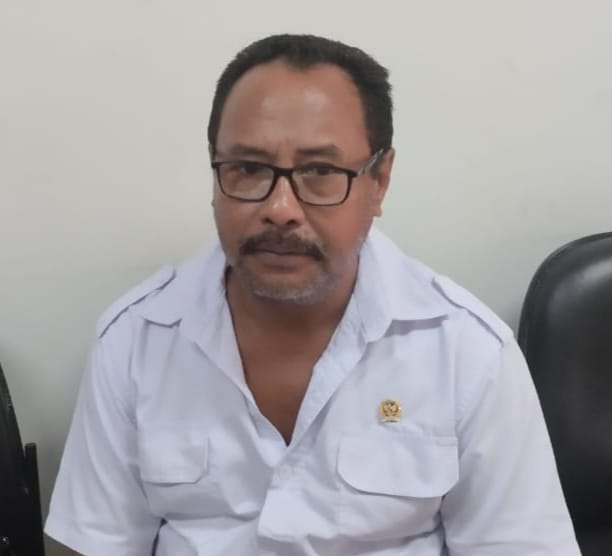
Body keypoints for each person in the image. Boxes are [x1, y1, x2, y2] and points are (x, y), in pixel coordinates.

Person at [45, 34, 581, 555]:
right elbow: (93, 541)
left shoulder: (468, 351)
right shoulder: (136, 338)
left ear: (379, 181)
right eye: (247, 168)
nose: (280, 209)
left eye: (320, 171)